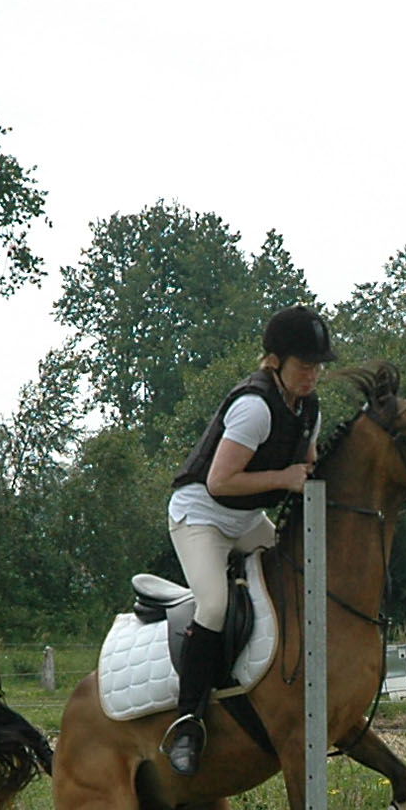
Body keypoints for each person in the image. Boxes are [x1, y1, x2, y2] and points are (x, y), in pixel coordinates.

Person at [160, 305, 335, 775]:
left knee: (298, 582)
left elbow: (306, 464)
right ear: (275, 361)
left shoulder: (309, 409)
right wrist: (284, 477)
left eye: (317, 366)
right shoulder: (254, 407)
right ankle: (188, 722)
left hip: (246, 520)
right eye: (304, 366)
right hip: (201, 517)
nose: (312, 375)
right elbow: (220, 482)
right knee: (214, 605)